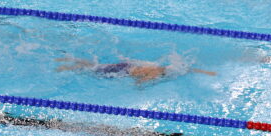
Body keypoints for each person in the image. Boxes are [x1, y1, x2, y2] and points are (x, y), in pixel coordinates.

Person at [56, 56, 216, 84]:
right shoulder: (156, 74)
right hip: (122, 72)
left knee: (95, 65)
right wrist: (140, 88)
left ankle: (69, 60)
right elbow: (140, 83)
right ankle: (67, 65)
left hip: (126, 66)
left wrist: (208, 73)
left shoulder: (161, 67)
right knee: (93, 70)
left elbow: (188, 69)